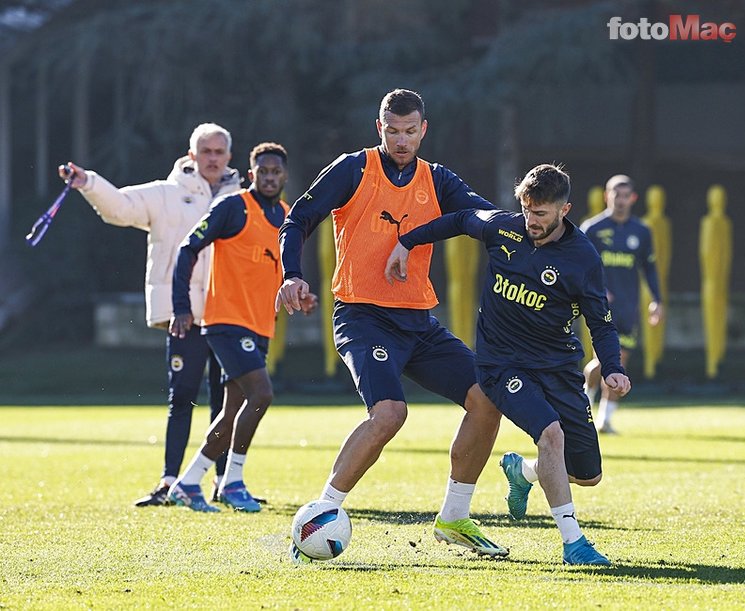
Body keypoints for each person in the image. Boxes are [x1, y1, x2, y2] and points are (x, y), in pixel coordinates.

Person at [277, 88, 507, 562]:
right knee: (389, 414)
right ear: (378, 129)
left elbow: (479, 213)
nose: (402, 140)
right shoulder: (353, 168)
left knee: (487, 398)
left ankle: (454, 518)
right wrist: (292, 275)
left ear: (423, 130)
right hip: (363, 316)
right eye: (393, 131)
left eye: (410, 131)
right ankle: (322, 513)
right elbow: (298, 218)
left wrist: (520, 226)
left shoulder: (436, 178)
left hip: (419, 322)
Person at [386, 163, 630, 565]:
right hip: (501, 366)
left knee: (587, 474)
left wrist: (612, 366)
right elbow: (461, 219)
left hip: (557, 369)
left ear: (564, 210)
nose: (531, 221)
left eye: (541, 214)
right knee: (551, 434)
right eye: (527, 210)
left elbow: (600, 321)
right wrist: (407, 242)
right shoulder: (502, 227)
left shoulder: (582, 258)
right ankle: (573, 544)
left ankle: (525, 472)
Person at [58, 123, 241, 506]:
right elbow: (121, 208)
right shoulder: (165, 193)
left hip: (229, 313)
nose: (211, 158)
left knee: (226, 401)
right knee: (183, 397)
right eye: (204, 151)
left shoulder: (243, 197)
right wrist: (88, 182)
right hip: (184, 314)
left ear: (229, 156)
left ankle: (224, 482)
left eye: (218, 152)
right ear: (191, 155)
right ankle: (170, 481)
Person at [168, 142, 317, 512]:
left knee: (232, 409)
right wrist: (182, 307)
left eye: (276, 173)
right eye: (262, 172)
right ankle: (232, 480)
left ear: (285, 176)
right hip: (225, 322)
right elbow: (188, 249)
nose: (269, 178)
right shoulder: (232, 207)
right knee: (262, 394)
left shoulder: (287, 218)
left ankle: (188, 483)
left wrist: (302, 296)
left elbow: (284, 274)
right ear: (251, 174)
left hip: (260, 326)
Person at [580, 175, 662, 434]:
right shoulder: (592, 229)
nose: (621, 200)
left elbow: (649, 269)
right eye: (616, 194)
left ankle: (604, 420)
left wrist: (657, 301)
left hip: (628, 308)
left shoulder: (641, 231)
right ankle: (584, 400)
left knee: (619, 363)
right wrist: (598, 288)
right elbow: (580, 265)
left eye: (626, 195)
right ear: (607, 196)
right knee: (602, 361)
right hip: (599, 308)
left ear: (633, 198)